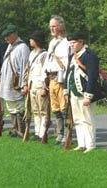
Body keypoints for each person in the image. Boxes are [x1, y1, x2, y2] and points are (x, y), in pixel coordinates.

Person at [64, 32, 99, 153]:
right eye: (70, 43)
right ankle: (81, 144)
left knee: (88, 119)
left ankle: (91, 145)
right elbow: (68, 74)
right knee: (78, 119)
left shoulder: (89, 55)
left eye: (73, 43)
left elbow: (92, 76)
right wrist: (66, 89)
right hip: (74, 93)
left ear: (81, 42)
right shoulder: (73, 55)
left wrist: (88, 96)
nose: (71, 45)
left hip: (85, 93)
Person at [43, 15, 70, 145]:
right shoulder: (51, 43)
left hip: (60, 79)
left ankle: (66, 134)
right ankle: (60, 134)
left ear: (60, 27)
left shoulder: (66, 43)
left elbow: (66, 64)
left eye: (54, 26)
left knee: (64, 109)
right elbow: (48, 62)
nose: (52, 29)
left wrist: (64, 83)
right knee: (56, 109)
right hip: (51, 79)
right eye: (50, 26)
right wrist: (45, 80)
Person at [0, 24, 30, 137]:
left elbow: (25, 68)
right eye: (5, 36)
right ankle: (14, 129)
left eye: (8, 35)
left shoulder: (23, 48)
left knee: (19, 107)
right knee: (11, 107)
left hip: (17, 84)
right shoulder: (10, 47)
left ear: (15, 34)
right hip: (8, 83)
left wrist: (24, 84)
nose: (6, 38)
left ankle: (21, 130)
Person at [21, 30, 48, 141]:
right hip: (32, 85)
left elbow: (45, 72)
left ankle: (42, 133)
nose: (30, 40)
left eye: (32, 39)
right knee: (35, 111)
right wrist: (26, 84)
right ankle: (37, 132)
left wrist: (44, 87)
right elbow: (28, 70)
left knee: (43, 111)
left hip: (40, 85)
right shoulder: (32, 54)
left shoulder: (44, 55)